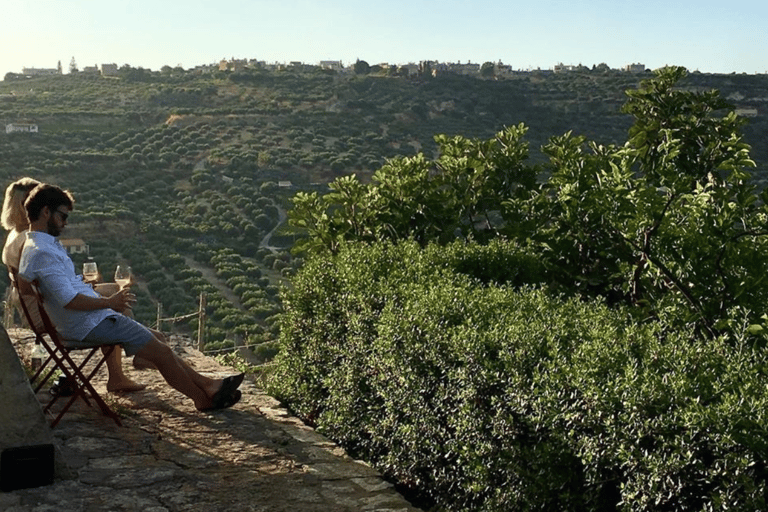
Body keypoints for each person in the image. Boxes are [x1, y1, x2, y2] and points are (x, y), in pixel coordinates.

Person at [19, 184, 243, 411]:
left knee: (157, 337)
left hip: (80, 321)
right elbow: (69, 301)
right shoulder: (44, 253)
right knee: (163, 351)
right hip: (88, 324)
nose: (65, 223)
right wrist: (109, 302)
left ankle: (208, 384)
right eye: (63, 216)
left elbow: (30, 286)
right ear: (46, 212)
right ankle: (202, 399)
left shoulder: (32, 246)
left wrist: (76, 292)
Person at [2, 179, 148, 392]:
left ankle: (132, 356)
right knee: (112, 296)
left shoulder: (15, 235)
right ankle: (131, 360)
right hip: (44, 310)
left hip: (37, 304)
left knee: (106, 295)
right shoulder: (30, 240)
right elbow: (33, 287)